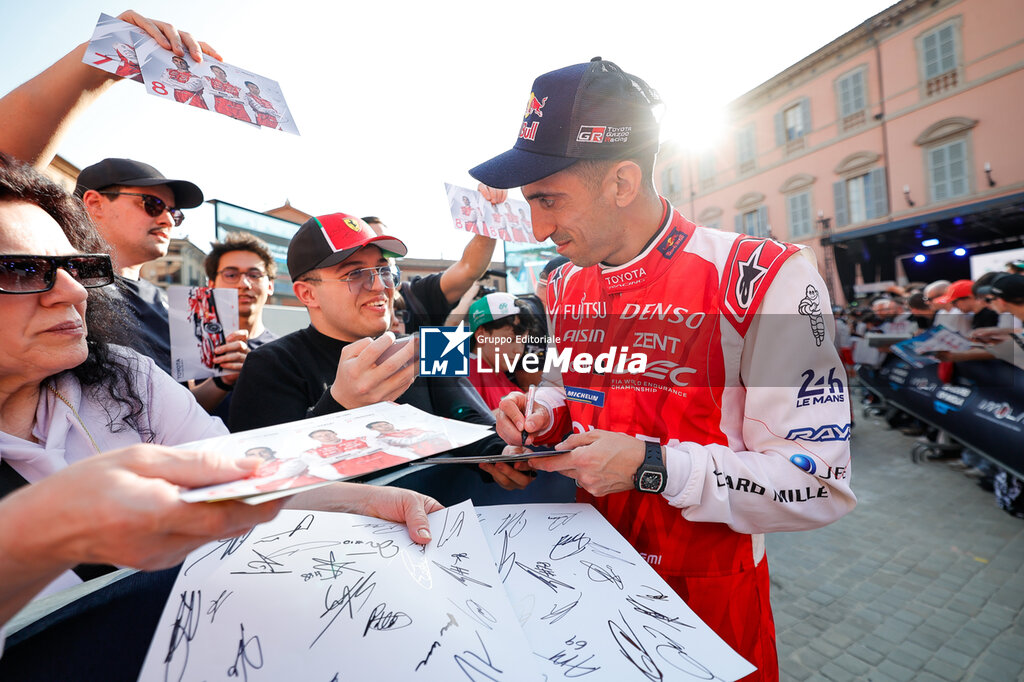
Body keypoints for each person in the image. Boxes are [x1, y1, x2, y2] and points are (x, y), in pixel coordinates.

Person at [468, 57, 856, 681]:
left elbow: (819, 486)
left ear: (621, 182)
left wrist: (654, 467)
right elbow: (568, 392)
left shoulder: (765, 276)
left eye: (547, 200)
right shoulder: (563, 282)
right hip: (580, 579)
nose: (537, 227)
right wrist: (536, 421)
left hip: (708, 604)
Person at [0, 156, 442, 641]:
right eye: (22, 269)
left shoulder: (128, 375)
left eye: (78, 268)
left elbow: (245, 481)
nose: (72, 290)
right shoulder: (272, 363)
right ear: (305, 293)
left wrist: (369, 502)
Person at [75, 158, 248, 412]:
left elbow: (186, 408)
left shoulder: (176, 304)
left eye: (174, 212)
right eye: (152, 204)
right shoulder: (65, 291)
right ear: (94, 203)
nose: (168, 220)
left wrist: (222, 381)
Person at [362, 204, 498, 334]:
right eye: (371, 243)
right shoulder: (347, 311)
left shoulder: (416, 294)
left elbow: (469, 268)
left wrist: (490, 213)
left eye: (386, 243)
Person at [467, 292, 527, 410]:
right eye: (510, 339)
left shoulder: (499, 374)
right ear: (481, 334)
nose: (519, 350)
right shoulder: (466, 374)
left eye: (523, 341)